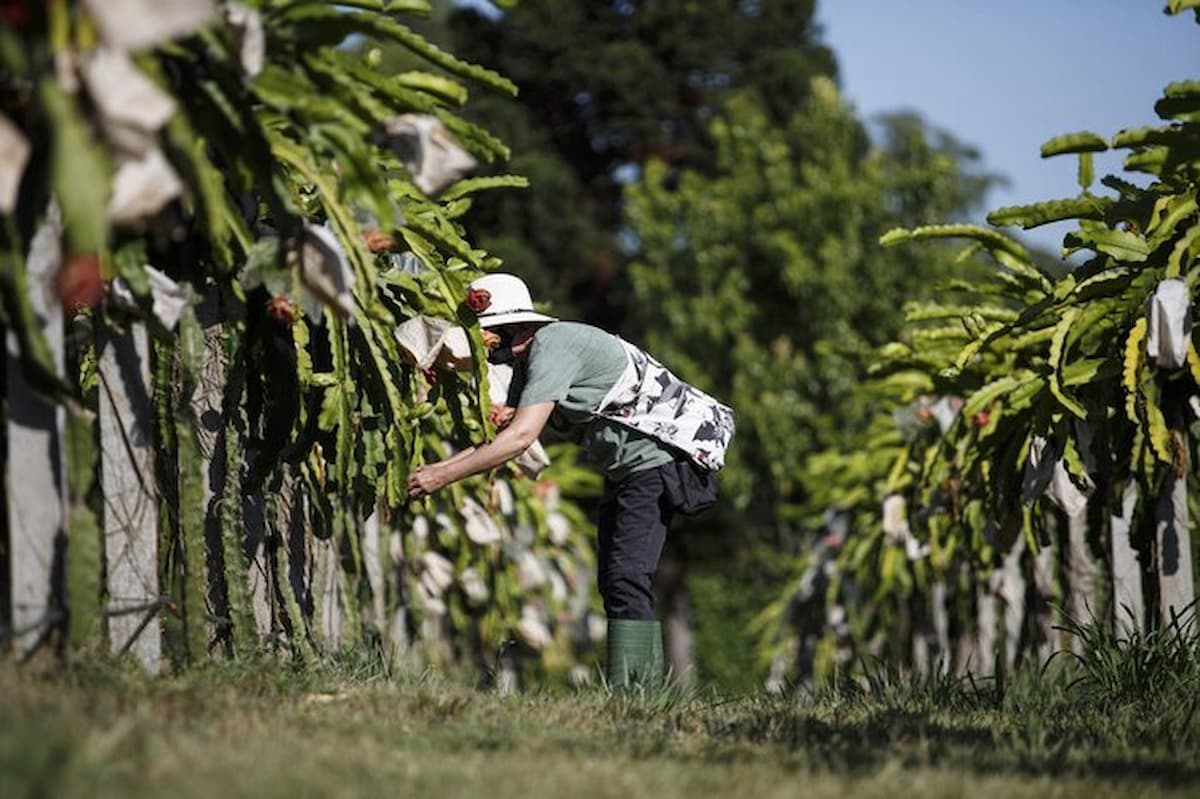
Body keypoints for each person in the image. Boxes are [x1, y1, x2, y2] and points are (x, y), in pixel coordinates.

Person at [407, 273, 733, 689]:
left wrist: (440, 474)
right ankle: (640, 692)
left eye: (487, 335)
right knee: (616, 579)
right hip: (628, 469)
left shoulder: (553, 346)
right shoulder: (534, 359)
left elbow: (521, 438)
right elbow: (517, 430)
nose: (485, 346)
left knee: (626, 577)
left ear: (511, 328)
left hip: (653, 463)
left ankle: (637, 696)